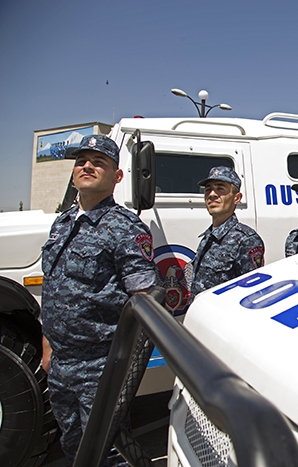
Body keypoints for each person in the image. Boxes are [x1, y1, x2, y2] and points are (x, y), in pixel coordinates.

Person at [41, 135, 156, 467]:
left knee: (110, 451)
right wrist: (48, 345)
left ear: (117, 176)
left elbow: (144, 302)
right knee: (73, 445)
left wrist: (124, 368)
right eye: (81, 161)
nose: (87, 166)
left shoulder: (126, 229)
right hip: (61, 363)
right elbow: (53, 285)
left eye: (98, 162)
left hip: (100, 365)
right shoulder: (62, 223)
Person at [189, 166, 264, 298]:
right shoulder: (208, 237)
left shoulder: (246, 240)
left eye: (220, 188)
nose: (212, 194)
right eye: (208, 190)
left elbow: (253, 293)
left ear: (237, 198)